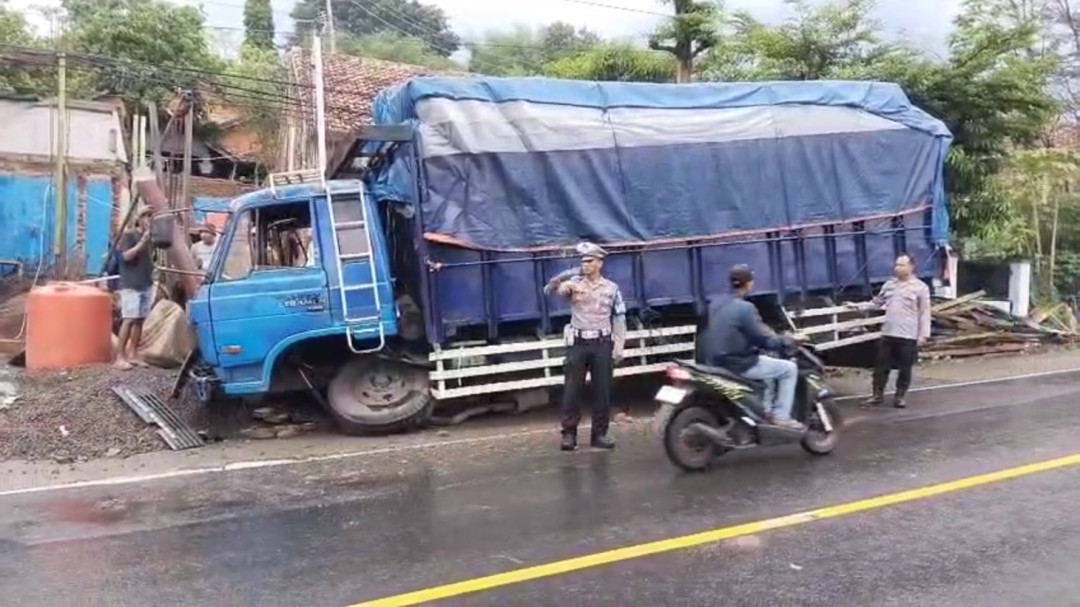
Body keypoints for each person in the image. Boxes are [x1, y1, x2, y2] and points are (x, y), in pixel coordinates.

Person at [698, 265, 805, 430]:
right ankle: (781, 417)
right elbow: (763, 339)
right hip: (736, 363)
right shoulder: (745, 308)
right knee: (788, 369)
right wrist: (787, 341)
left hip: (711, 361)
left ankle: (765, 409)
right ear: (748, 284)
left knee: (768, 369)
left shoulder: (715, 303)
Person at [544, 242, 627, 451]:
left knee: (603, 391)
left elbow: (619, 318)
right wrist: (560, 285)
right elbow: (556, 291)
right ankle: (569, 435)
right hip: (578, 343)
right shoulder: (574, 283)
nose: (585, 265)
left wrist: (619, 346)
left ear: (599, 263)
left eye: (589, 261)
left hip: (602, 343)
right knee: (572, 390)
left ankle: (599, 434)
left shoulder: (611, 288)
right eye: (583, 261)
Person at [848, 253, 931, 409]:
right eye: (896, 265)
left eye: (901, 265)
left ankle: (900, 396)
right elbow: (877, 303)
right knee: (881, 367)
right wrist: (857, 306)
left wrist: (923, 335)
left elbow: (924, 312)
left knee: (905, 368)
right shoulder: (889, 285)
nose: (897, 268)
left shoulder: (920, 287)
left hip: (908, 335)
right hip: (888, 333)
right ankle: (877, 395)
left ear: (911, 267)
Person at [114, 205, 156, 370]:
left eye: (151, 217)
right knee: (129, 319)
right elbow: (125, 256)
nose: (149, 220)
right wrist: (142, 243)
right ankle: (119, 357)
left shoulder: (151, 237)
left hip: (146, 282)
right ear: (139, 219)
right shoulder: (129, 235)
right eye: (146, 216)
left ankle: (133, 354)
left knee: (139, 320)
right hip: (131, 283)